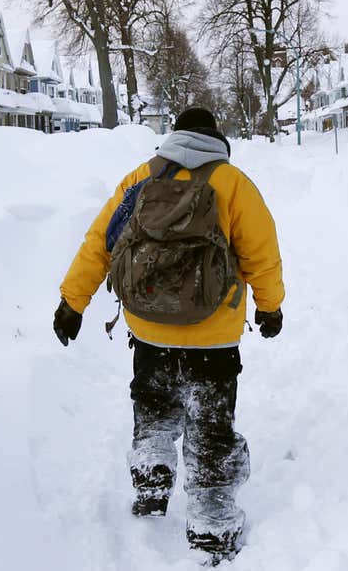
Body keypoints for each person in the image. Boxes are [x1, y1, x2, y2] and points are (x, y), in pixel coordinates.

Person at [54, 106, 285, 563]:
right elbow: (263, 252)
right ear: (216, 138)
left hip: (150, 326)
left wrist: (72, 302)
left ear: (174, 136)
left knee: (155, 406)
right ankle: (211, 527)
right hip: (214, 334)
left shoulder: (141, 176)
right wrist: (270, 306)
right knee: (210, 426)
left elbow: (101, 241)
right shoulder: (233, 183)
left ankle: (152, 480)